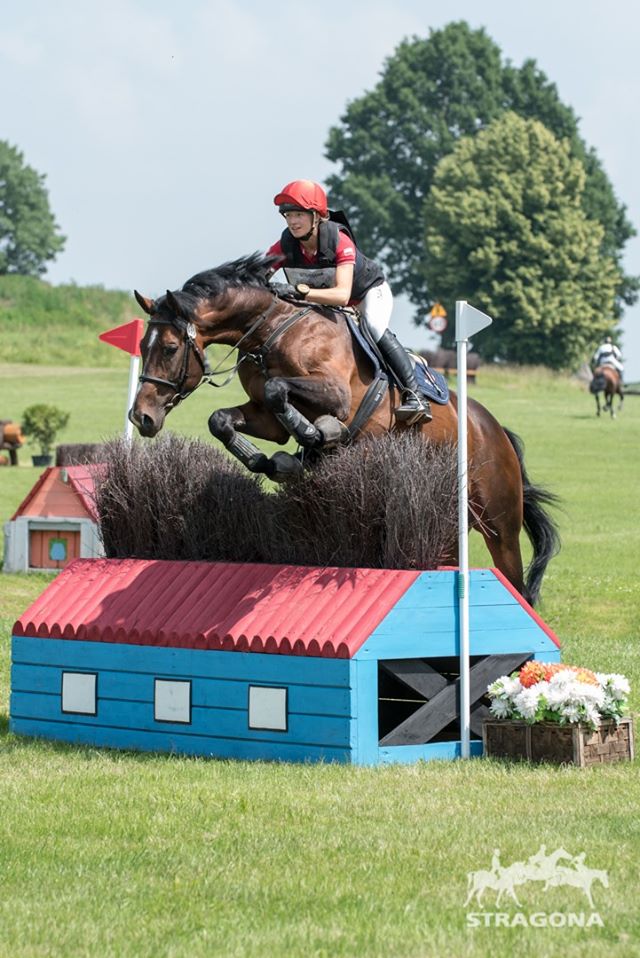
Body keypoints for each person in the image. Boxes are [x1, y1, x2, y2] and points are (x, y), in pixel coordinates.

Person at [266, 179, 430, 422]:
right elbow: (258, 274)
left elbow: (342, 295)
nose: (292, 221)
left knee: (373, 326)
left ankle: (415, 395)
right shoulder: (286, 244)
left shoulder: (338, 240)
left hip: (366, 294)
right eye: (288, 215)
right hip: (327, 302)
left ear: (316, 216)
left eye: (299, 214)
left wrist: (297, 291)